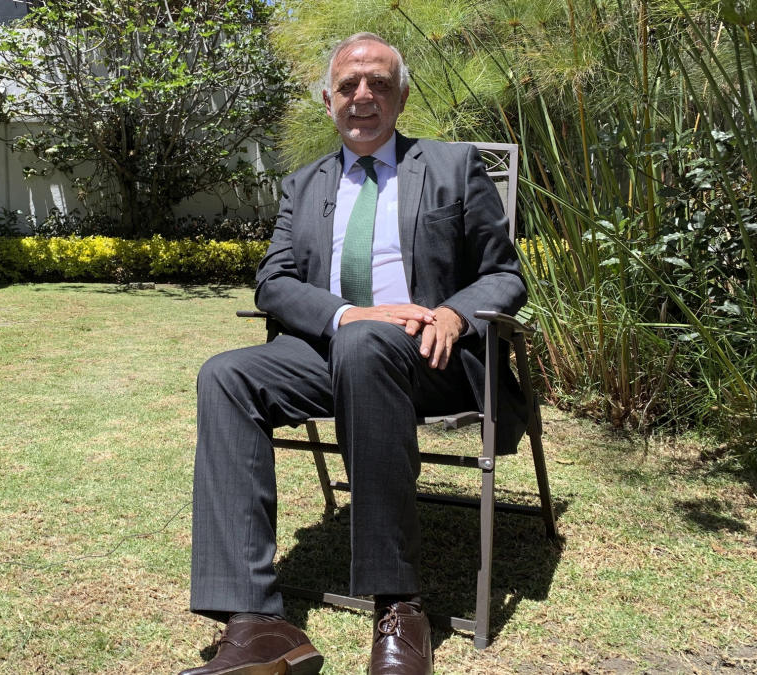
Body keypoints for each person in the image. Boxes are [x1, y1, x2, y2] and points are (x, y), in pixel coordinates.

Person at [180, 32, 527, 675]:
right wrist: (348, 314)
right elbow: (274, 281)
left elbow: (505, 275)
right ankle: (255, 622)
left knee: (367, 344)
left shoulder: (452, 167)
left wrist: (452, 311)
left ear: (401, 96)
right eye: (348, 86)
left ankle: (398, 605)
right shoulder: (303, 184)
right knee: (225, 375)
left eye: (379, 84)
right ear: (328, 98)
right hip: (330, 347)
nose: (363, 96)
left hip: (430, 359)